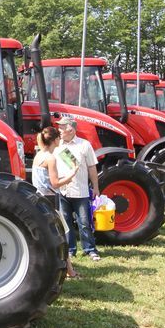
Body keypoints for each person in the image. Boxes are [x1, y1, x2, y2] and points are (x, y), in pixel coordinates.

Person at [32, 126, 80, 278]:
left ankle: (68, 270)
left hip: (38, 197)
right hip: (51, 200)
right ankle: (69, 272)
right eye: (59, 137)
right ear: (55, 140)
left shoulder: (39, 155)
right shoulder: (50, 158)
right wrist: (71, 175)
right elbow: (54, 183)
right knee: (63, 234)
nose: (61, 140)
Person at [54, 116, 102, 261]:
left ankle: (90, 249)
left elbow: (92, 167)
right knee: (66, 223)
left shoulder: (84, 145)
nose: (59, 130)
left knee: (84, 222)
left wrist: (95, 187)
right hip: (62, 191)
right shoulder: (57, 145)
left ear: (71, 129)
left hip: (80, 191)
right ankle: (70, 250)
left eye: (62, 127)